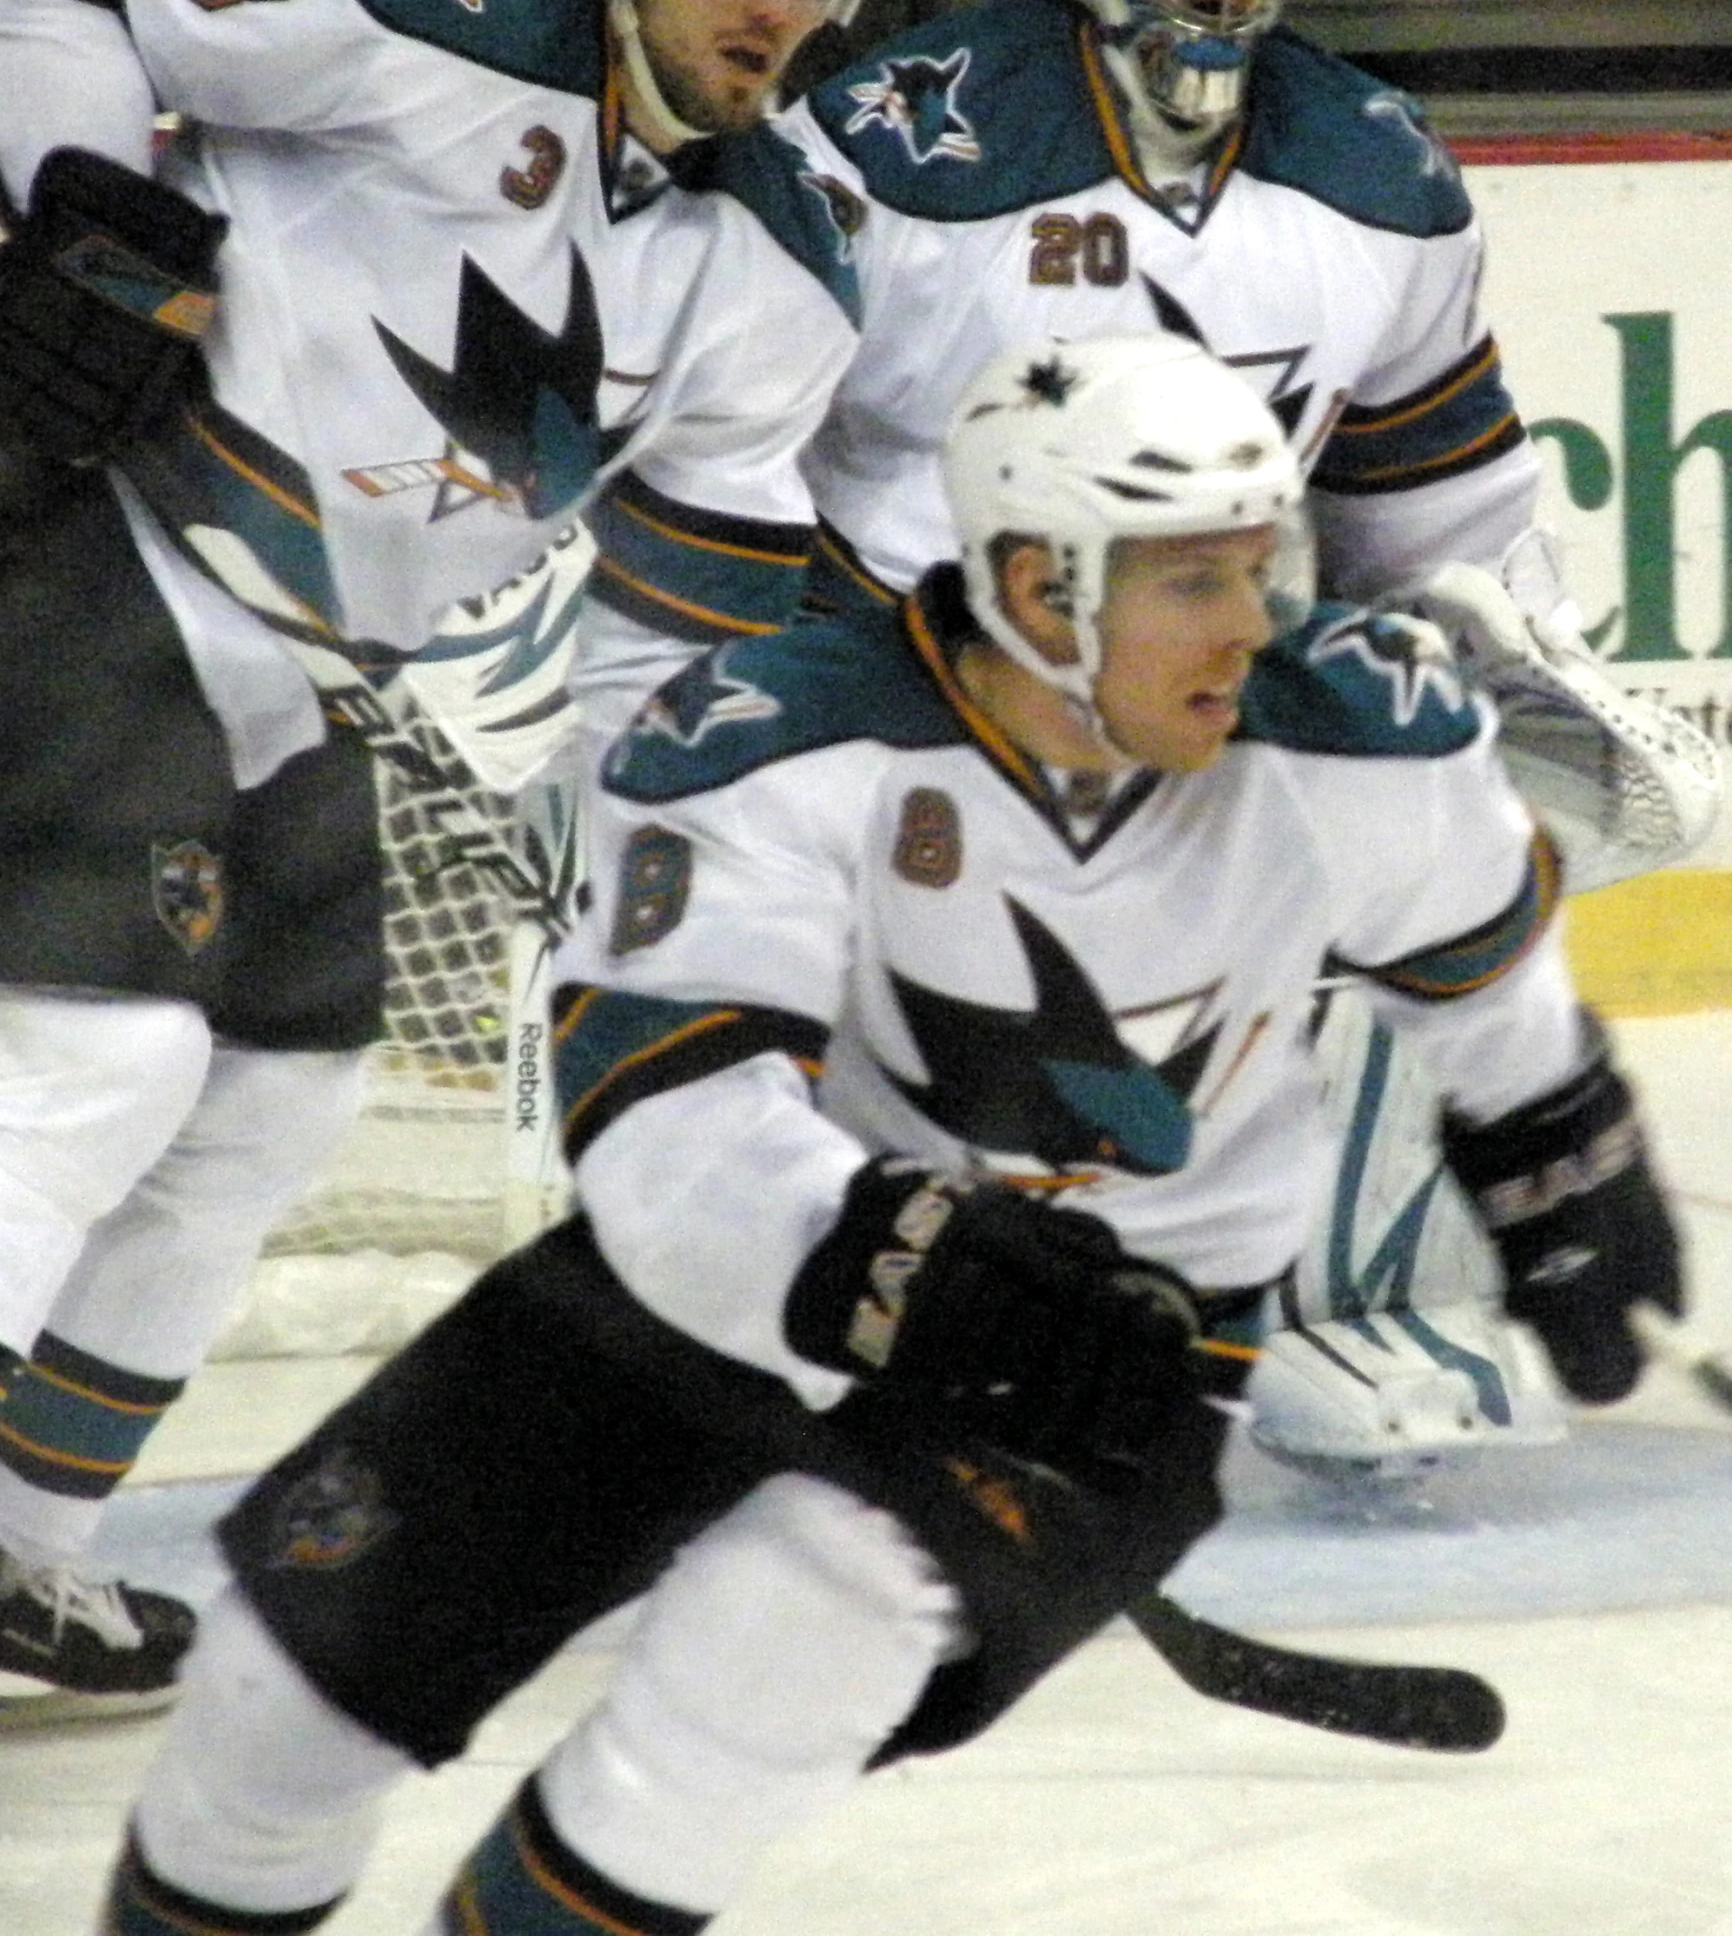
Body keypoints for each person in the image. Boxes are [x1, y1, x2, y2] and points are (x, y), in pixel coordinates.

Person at [95, 333, 1683, 1936]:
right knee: (270, 1700)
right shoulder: (776, 740)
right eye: (1192, 583)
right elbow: (671, 1144)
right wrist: (913, 1261)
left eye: (1261, 562)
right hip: (721, 1289)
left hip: (1109, 1367)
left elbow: (1478, 969)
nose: (1253, 621)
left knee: (784, 1635)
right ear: (1043, 592)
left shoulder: (1351, 735)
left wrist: (1555, 1135)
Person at [0, 0, 873, 1711]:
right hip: (83, 528)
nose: (777, 7)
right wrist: (73, 188)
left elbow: (679, 639)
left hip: (303, 666)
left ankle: (25, 1546)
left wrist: (654, 884)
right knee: (96, 1054)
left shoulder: (777, 267)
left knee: (276, 1096)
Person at [773, 0, 1719, 1475]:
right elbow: (736, 430)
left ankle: (1352, 1307)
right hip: (925, 697)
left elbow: (1437, 517)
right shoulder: (904, 140)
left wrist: (1520, 658)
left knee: (1454, 809)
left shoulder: (1371, 166)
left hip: (1193, 685)